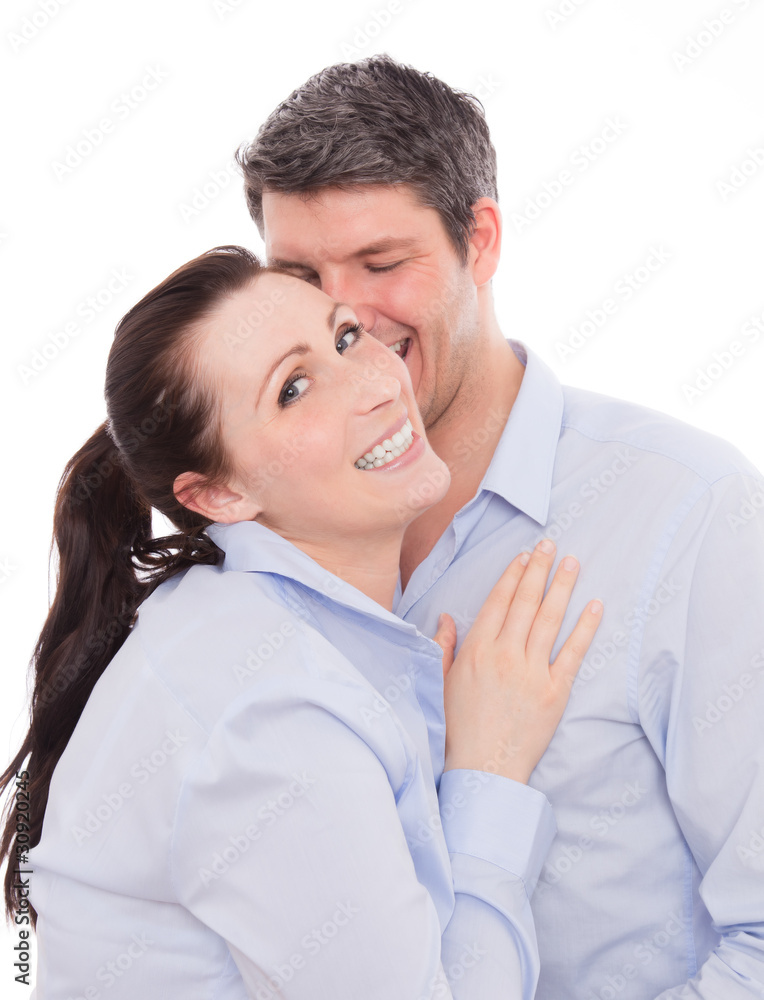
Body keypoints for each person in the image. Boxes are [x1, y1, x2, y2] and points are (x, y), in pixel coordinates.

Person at [236, 54, 764, 999]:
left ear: (480, 242)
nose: (344, 319)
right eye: (302, 276)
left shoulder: (692, 512)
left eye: (382, 264)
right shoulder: (262, 538)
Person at [0, 247, 602, 999]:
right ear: (219, 495)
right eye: (293, 389)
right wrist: (489, 770)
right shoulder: (267, 710)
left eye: (346, 337)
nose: (375, 383)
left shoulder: (248, 623)